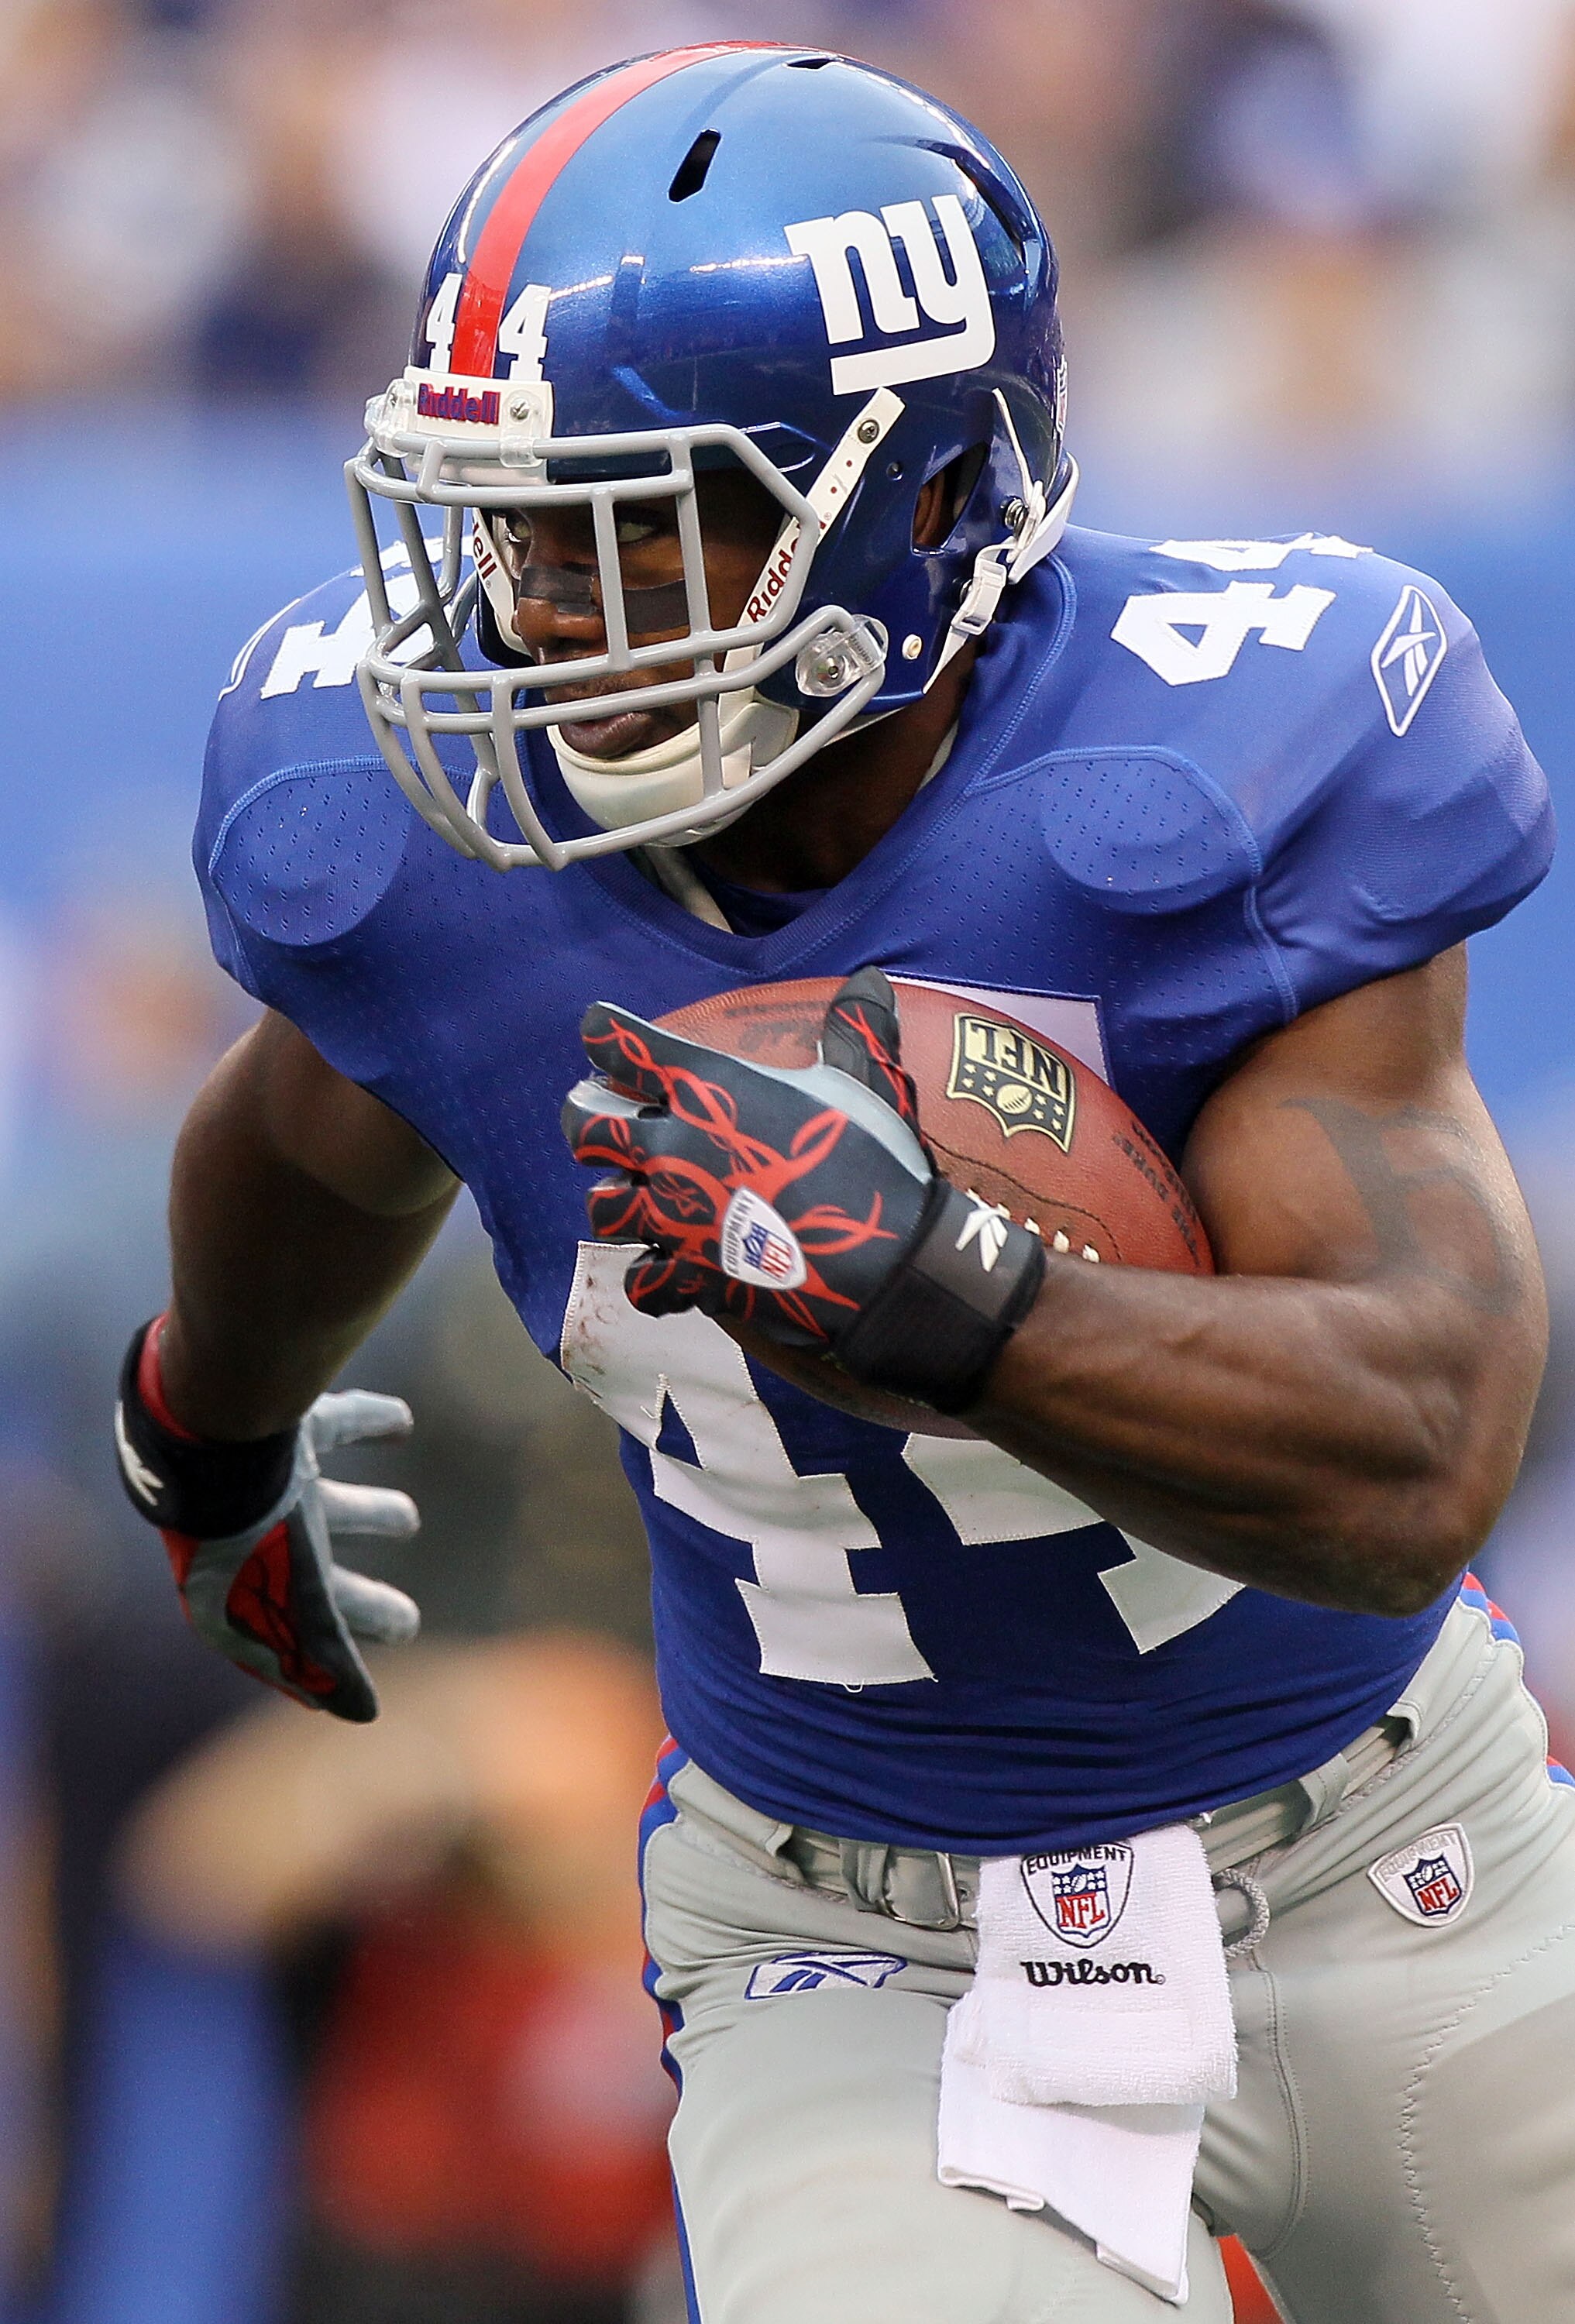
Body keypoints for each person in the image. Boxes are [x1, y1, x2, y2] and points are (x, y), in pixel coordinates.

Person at [112, 42, 1571, 2323]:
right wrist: (201, 1434)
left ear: (917, 503)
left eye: (633, 519)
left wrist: (961, 1300)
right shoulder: (403, 829)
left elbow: (1413, 1458)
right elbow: (315, 1120)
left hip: (1396, 1860)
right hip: (846, 1948)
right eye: (505, 517)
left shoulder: (1220, 766)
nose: (535, 606)